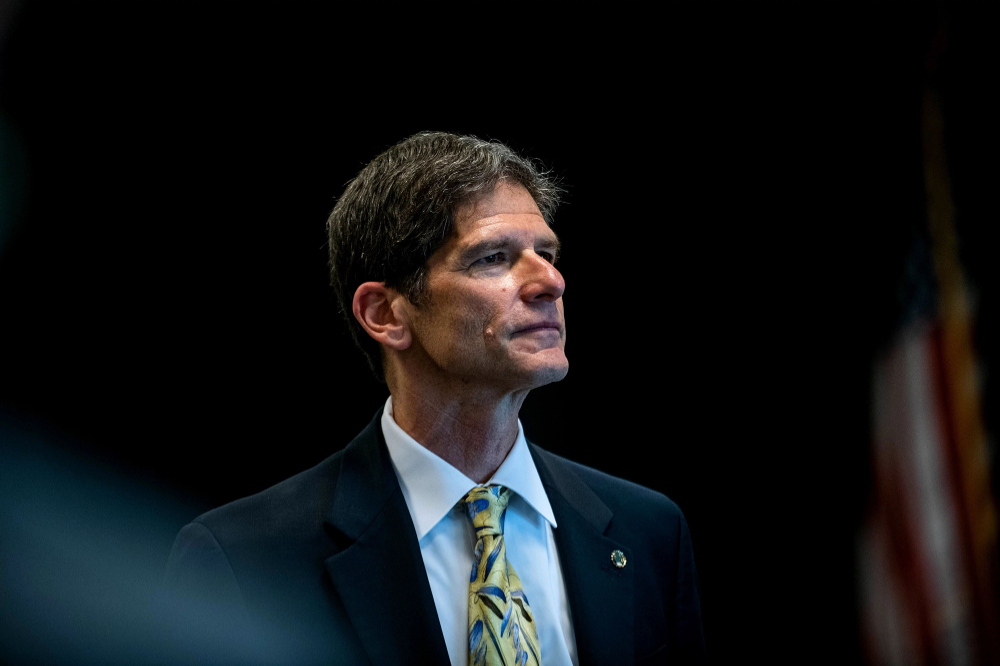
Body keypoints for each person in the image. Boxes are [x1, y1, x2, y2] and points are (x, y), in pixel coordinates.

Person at [164, 132, 706, 665]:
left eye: (548, 253)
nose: (550, 281)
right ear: (385, 314)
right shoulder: (242, 562)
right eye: (493, 257)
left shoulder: (650, 531)